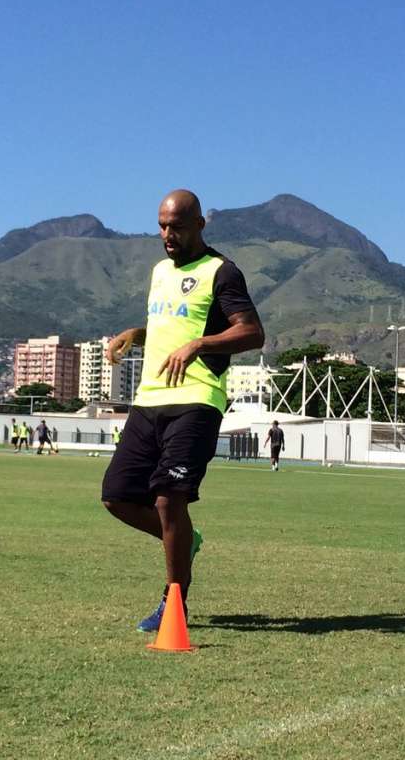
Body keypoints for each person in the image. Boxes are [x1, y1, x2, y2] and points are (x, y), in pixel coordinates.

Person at [101, 190, 265, 633]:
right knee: (116, 497)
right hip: (149, 399)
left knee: (168, 499)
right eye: (161, 225)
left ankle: (174, 604)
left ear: (199, 225)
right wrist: (134, 334)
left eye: (176, 226)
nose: (167, 235)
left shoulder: (222, 272)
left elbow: (252, 333)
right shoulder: (159, 271)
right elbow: (169, 323)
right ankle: (185, 540)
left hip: (197, 399)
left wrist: (199, 345)